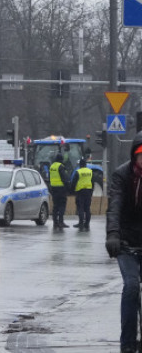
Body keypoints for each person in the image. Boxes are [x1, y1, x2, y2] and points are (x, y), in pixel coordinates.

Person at [106, 132, 142, 353]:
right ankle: (127, 344)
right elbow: (115, 206)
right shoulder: (122, 175)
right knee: (131, 287)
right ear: (134, 156)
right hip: (127, 241)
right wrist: (113, 234)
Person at [70, 157, 94, 231]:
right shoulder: (90, 171)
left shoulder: (78, 172)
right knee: (87, 208)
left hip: (80, 192)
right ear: (85, 164)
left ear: (80, 165)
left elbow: (73, 183)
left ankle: (80, 223)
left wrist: (72, 191)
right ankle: (87, 224)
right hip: (88, 191)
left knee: (80, 208)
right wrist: (91, 191)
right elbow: (92, 182)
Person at [48, 153, 70, 228]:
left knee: (55, 206)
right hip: (61, 189)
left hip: (53, 188)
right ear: (61, 160)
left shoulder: (52, 166)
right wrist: (68, 187)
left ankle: (55, 222)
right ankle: (61, 222)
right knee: (62, 206)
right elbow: (64, 178)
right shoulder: (61, 166)